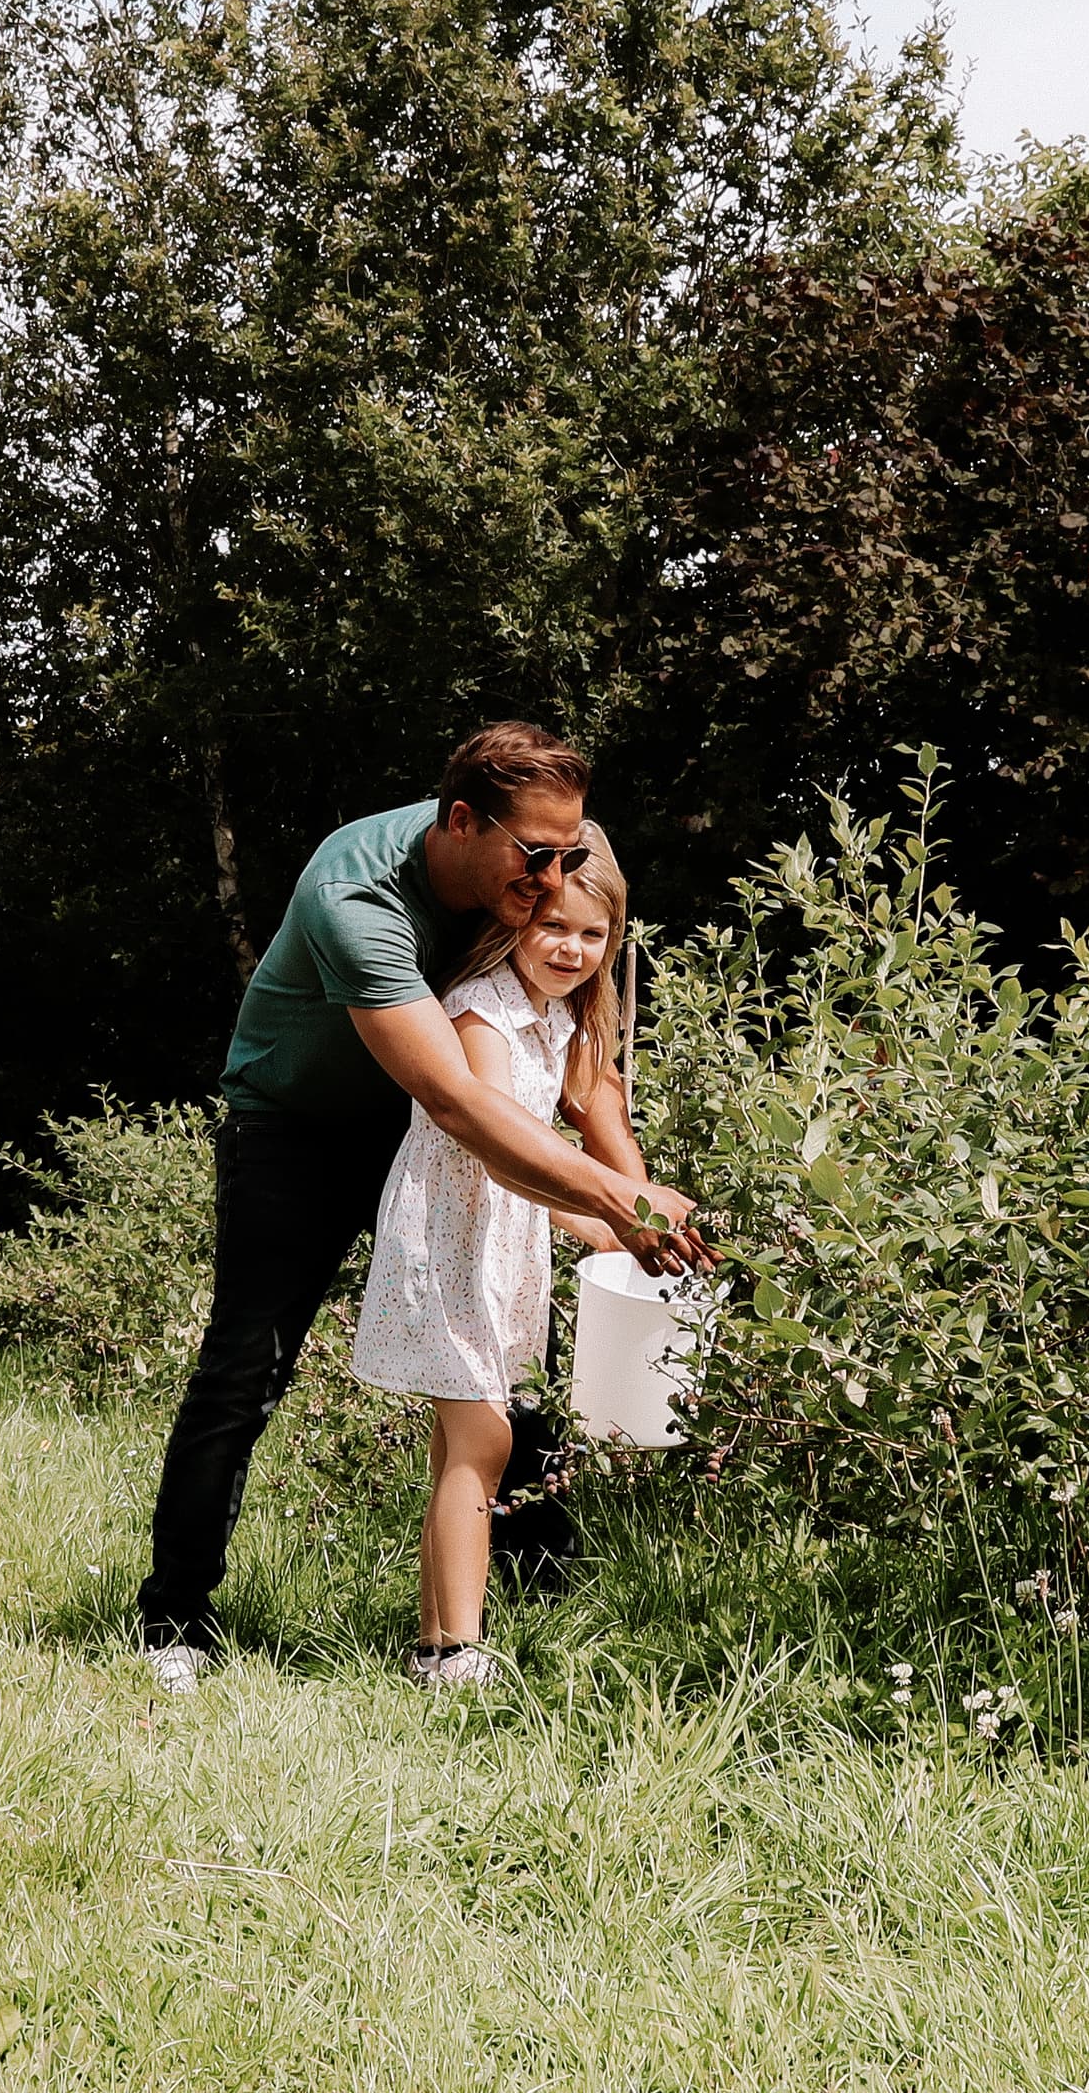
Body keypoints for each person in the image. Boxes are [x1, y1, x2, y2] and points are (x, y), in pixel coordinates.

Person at [132, 721, 713, 1692]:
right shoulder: (355, 894)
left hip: (435, 1139)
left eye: (570, 855)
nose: (555, 877)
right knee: (246, 1368)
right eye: (539, 858)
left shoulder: (535, 869)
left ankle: (529, 1595)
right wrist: (621, 1201)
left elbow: (585, 1069)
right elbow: (460, 1100)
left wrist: (637, 1220)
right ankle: (175, 1621)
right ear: (460, 823)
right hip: (304, 1130)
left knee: (512, 1368)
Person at [348, 831, 686, 1689]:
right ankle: (452, 1651)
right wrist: (611, 1223)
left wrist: (635, 1221)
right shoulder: (479, 1008)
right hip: (449, 1243)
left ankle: (431, 1637)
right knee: (484, 1440)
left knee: (461, 1445)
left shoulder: (565, 1017)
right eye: (555, 928)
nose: (572, 950)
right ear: (519, 919)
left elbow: (593, 1118)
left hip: (507, 1248)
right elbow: (500, 1153)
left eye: (593, 936)